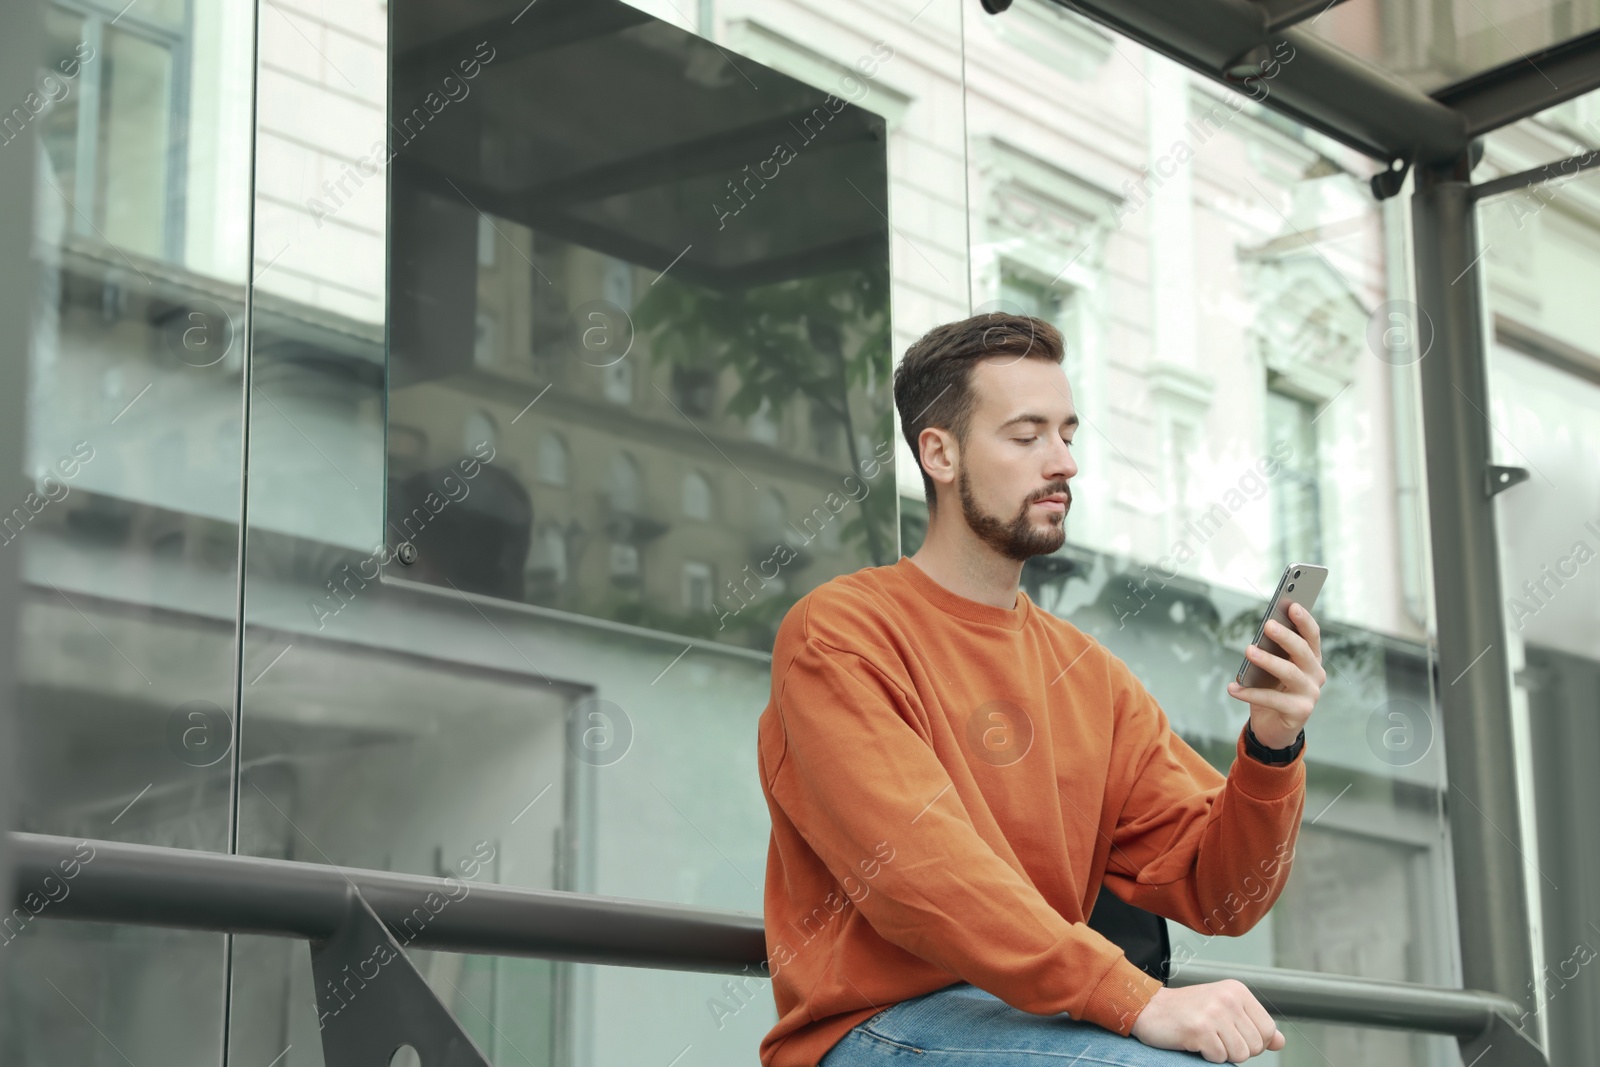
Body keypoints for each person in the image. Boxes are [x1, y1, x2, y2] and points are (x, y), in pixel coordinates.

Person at [754, 313, 1326, 1067]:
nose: (1063, 463)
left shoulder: (1089, 675)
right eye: (1027, 437)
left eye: (1068, 434)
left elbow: (1223, 895)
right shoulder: (839, 634)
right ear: (940, 453)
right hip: (874, 1026)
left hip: (1036, 1016)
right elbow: (924, 877)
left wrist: (1272, 745)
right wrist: (1137, 999)